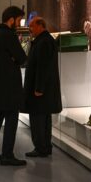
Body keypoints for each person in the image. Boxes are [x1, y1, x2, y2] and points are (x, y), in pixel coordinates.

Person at [0, 6, 28, 166]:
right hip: (10, 86)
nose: (19, 23)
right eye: (19, 20)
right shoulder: (9, 35)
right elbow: (22, 57)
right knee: (11, 121)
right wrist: (14, 59)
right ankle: (7, 155)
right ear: (11, 19)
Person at [21, 17, 61, 157]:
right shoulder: (44, 41)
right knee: (43, 119)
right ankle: (44, 147)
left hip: (40, 91)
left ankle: (40, 147)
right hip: (43, 90)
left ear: (40, 25)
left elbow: (43, 68)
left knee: (38, 119)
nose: (30, 29)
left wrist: (39, 88)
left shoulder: (44, 42)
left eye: (32, 26)